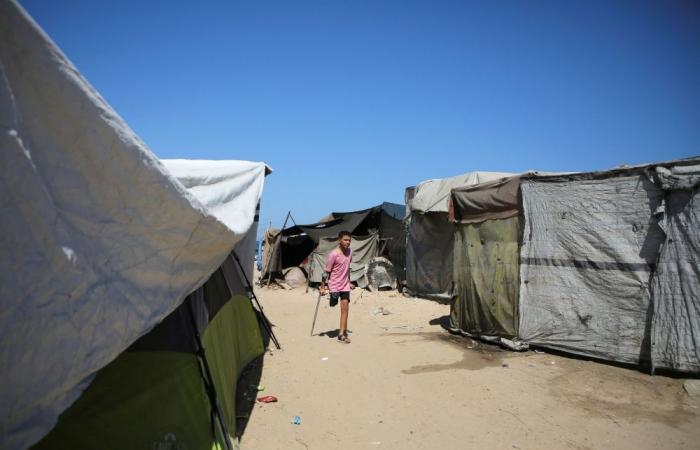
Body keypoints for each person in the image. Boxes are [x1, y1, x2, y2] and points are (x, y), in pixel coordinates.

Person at [319, 230, 354, 343]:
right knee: (333, 304)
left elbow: (347, 267)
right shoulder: (334, 254)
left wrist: (349, 281)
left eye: (349, 240)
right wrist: (323, 287)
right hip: (334, 285)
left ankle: (341, 334)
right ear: (339, 240)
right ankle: (332, 300)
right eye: (345, 240)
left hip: (345, 285)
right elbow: (326, 272)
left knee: (345, 307)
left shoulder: (350, 252)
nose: (347, 242)